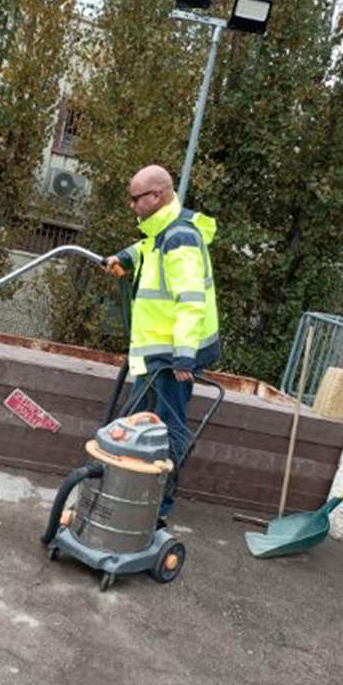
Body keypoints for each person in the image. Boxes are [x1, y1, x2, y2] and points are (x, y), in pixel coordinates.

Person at [103, 164, 221, 521]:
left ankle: (157, 508)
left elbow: (190, 300)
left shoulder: (180, 237)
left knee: (167, 431)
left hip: (174, 358)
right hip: (156, 354)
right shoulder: (162, 232)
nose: (132, 205)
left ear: (157, 196)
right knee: (139, 423)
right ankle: (130, 494)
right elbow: (146, 248)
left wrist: (185, 358)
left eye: (136, 198)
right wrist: (125, 257)